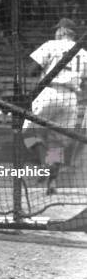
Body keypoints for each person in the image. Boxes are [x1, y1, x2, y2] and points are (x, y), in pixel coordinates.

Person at [22, 18, 87, 194]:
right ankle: (52, 183)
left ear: (63, 31)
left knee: (28, 132)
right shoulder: (83, 52)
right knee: (57, 142)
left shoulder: (51, 44)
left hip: (49, 92)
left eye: (57, 29)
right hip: (71, 98)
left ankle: (44, 165)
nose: (55, 32)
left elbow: (32, 70)